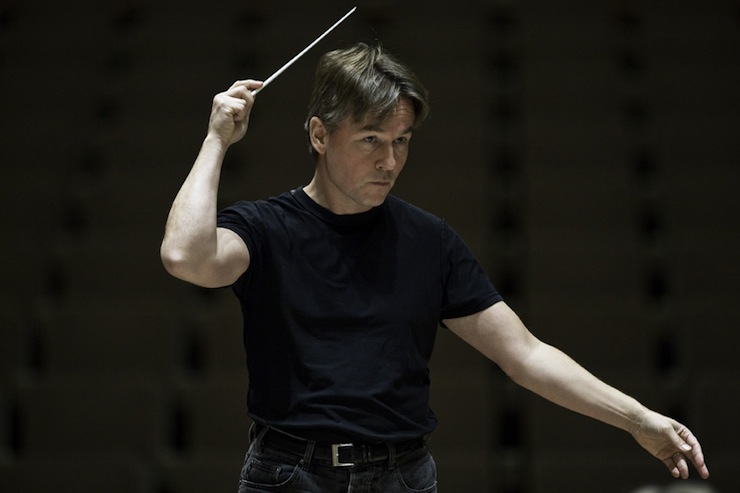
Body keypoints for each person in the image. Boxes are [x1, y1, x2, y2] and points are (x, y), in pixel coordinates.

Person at [160, 42, 710, 492]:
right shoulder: (264, 228)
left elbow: (525, 354)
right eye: (371, 140)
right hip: (288, 474)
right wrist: (216, 139)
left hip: (402, 476)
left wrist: (637, 419)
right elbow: (184, 256)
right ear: (320, 135)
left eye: (401, 141)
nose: (390, 161)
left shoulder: (429, 240)